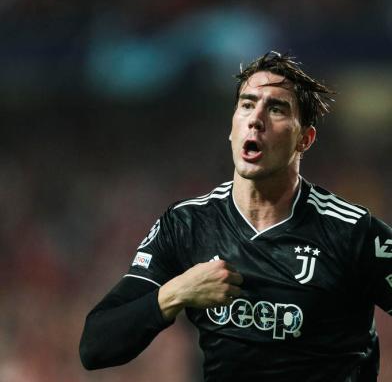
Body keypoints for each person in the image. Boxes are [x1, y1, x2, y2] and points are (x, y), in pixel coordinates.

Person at [79, 51, 392, 382]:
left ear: (305, 139)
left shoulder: (350, 231)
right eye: (247, 104)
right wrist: (177, 292)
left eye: (276, 108)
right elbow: (95, 345)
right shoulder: (187, 225)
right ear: (232, 128)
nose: (256, 118)